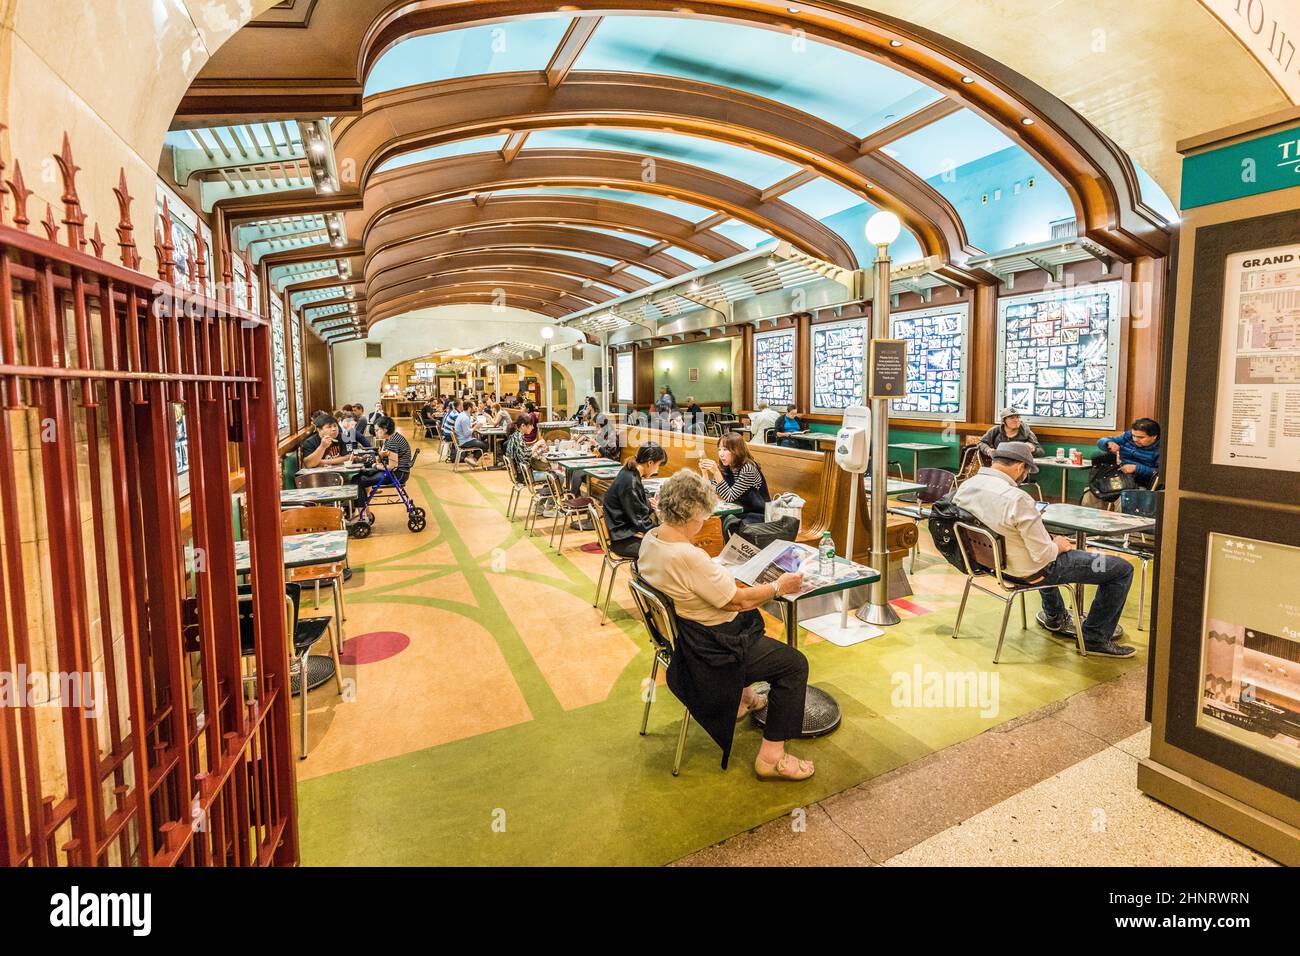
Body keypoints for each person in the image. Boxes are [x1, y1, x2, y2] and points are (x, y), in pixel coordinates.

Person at [637, 470, 813, 779]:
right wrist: (778, 587)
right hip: (711, 651)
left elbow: (719, 594)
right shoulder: (686, 556)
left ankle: (741, 701)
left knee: (751, 620)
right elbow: (737, 601)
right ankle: (771, 757)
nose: (705, 520)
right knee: (794, 664)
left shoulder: (651, 540)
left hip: (680, 638)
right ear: (692, 512)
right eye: (704, 514)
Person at [951, 442, 1136, 657]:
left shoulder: (967, 486)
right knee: (1121, 569)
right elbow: (1044, 555)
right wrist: (1058, 545)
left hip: (991, 564)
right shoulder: (1017, 498)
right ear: (1021, 467)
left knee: (1036, 550)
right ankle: (1094, 637)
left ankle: (1055, 616)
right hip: (1029, 571)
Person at [602, 444, 667, 559]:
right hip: (624, 540)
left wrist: (648, 504)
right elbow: (641, 521)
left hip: (622, 533)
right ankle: (642, 576)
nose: (657, 470)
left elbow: (636, 508)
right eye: (658, 465)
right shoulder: (630, 482)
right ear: (650, 463)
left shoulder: (629, 471)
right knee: (666, 551)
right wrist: (663, 532)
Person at [700, 432, 771, 525]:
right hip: (737, 513)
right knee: (709, 520)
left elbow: (729, 496)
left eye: (725, 449)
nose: (721, 454)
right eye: (719, 449)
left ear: (737, 450)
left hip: (756, 515)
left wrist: (716, 472)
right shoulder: (725, 467)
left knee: (725, 522)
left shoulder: (748, 469)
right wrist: (704, 472)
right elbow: (709, 492)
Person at [354, 415, 413, 519]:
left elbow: (392, 467)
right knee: (361, 475)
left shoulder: (392, 442)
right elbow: (385, 459)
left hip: (398, 474)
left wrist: (375, 465)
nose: (375, 432)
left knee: (359, 480)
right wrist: (380, 457)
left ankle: (363, 515)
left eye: (377, 430)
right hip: (397, 472)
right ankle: (365, 512)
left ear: (385, 429)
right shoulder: (392, 438)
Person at [1095, 418, 1161, 488]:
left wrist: (1136, 468)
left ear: (1154, 436)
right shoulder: (1128, 437)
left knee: (1115, 495)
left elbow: (1160, 473)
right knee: (1092, 492)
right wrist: (1109, 443)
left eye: (1141, 437)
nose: (1135, 439)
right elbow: (1101, 441)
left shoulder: (1161, 449)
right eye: (1134, 436)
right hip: (1119, 476)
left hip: (1141, 484)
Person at [978, 407, 1042, 461]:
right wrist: (988, 450)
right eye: (1012, 418)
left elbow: (1040, 452)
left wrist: (1033, 449)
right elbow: (981, 443)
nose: (1016, 420)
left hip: (1019, 464)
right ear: (1003, 421)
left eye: (1018, 417)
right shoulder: (995, 430)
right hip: (999, 462)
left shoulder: (1027, 432)